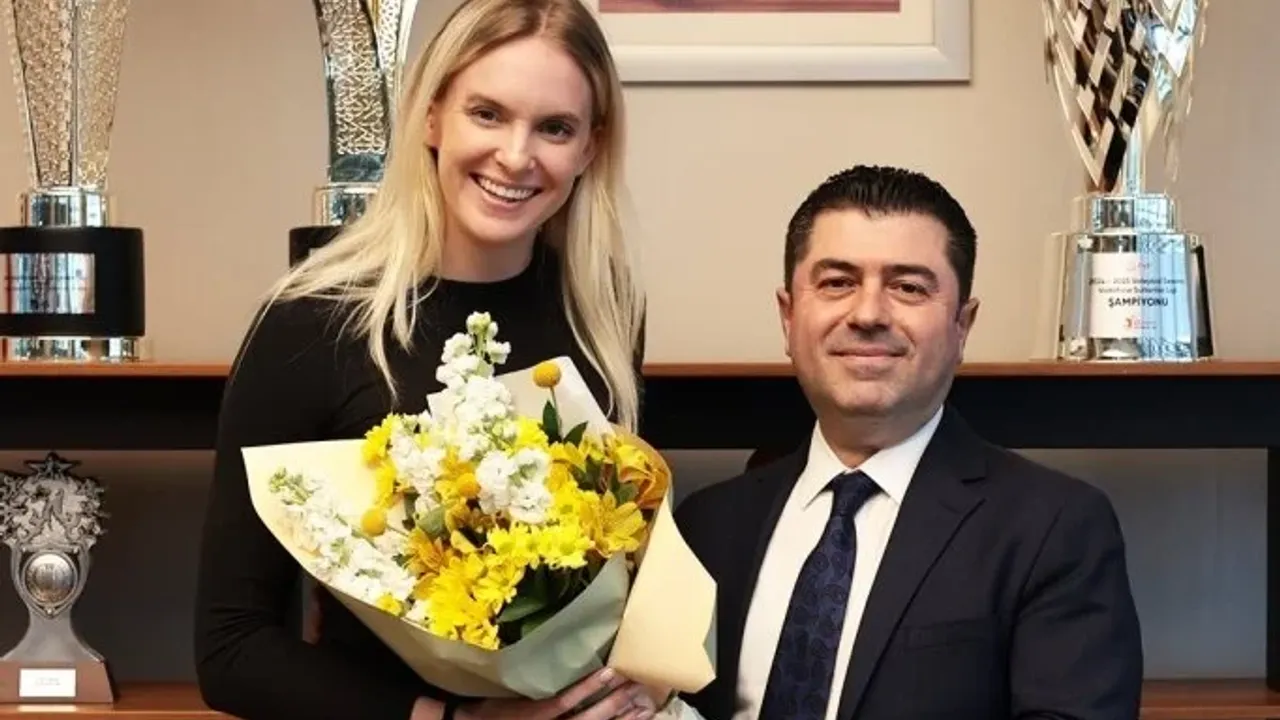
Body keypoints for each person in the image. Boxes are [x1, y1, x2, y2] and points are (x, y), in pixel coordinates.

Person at [191, 0, 656, 719]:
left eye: (555, 128)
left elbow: (623, 571)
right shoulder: (310, 322)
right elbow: (232, 648)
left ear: (591, 146)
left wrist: (640, 681)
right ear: (432, 116)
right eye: (488, 114)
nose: (516, 156)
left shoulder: (604, 312)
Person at [666, 165, 1144, 720]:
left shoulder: (1054, 529)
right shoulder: (706, 526)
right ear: (789, 316)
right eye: (837, 282)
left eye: (909, 287)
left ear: (963, 325)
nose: (868, 314)